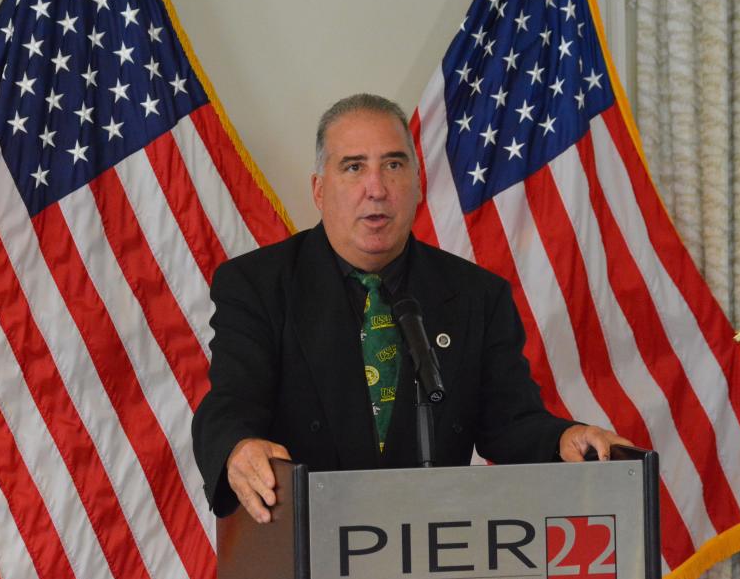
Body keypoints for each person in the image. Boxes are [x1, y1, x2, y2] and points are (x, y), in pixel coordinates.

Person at [192, 94, 631, 523]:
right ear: (319, 190)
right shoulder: (257, 286)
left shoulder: (477, 295)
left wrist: (564, 439)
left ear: (418, 185)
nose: (377, 189)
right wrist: (237, 446)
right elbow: (231, 402)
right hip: (304, 544)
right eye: (353, 167)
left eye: (394, 165)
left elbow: (509, 421)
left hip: (431, 549)